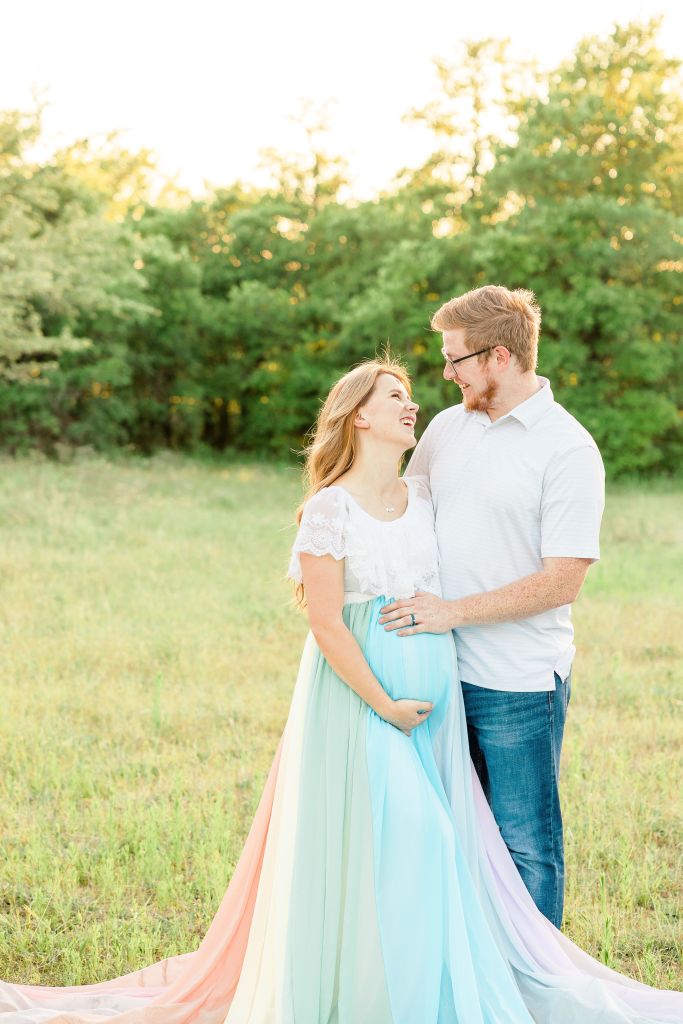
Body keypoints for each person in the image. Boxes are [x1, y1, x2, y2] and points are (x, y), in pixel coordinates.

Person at [1, 358, 680, 1023]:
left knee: (449, 850)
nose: (413, 403)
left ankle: (440, 989)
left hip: (441, 703)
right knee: (418, 835)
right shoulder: (329, 510)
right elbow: (325, 621)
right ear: (358, 416)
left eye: (412, 392)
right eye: (395, 395)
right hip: (365, 705)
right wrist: (384, 705)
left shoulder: (423, 496)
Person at [380, 284, 605, 929]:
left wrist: (450, 612)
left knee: (525, 843)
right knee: (452, 832)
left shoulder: (567, 449)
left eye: (455, 360)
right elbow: (403, 514)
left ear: (499, 357)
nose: (446, 374)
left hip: (516, 680)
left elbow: (560, 582)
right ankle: (477, 969)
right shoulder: (447, 428)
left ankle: (534, 978)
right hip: (435, 669)